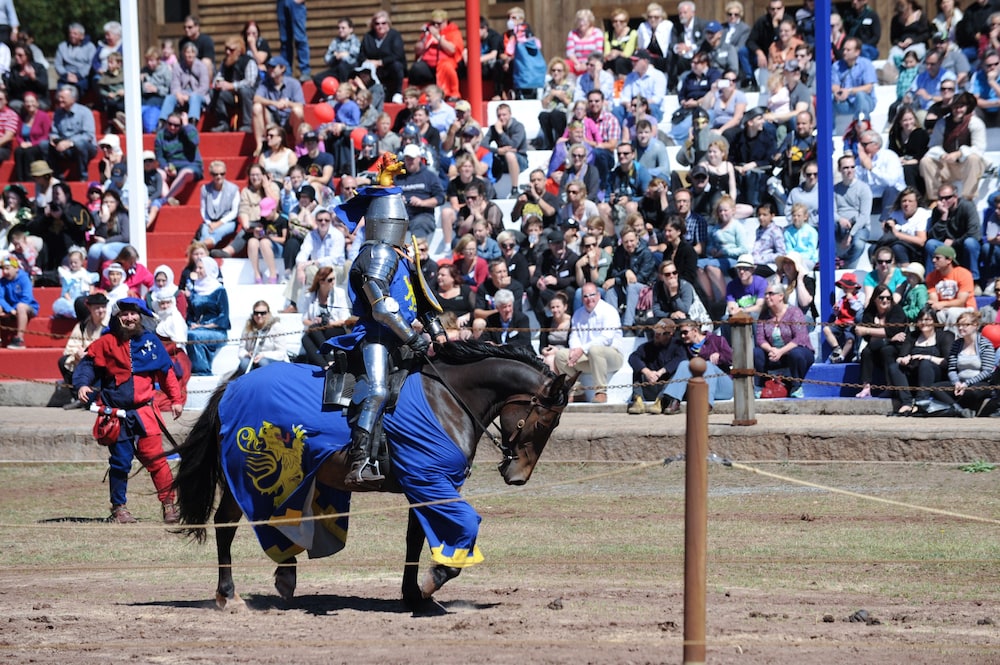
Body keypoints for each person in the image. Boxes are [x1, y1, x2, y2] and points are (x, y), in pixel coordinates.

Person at [330, 186, 447, 490]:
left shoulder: (402, 256)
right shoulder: (377, 254)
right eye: (396, 221)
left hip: (401, 338)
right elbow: (381, 308)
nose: (400, 226)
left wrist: (437, 332)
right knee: (378, 391)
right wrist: (413, 339)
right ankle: (360, 460)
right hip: (377, 337)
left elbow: (420, 299)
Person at [72, 298, 184, 524]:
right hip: (115, 416)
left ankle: (169, 505)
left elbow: (166, 373)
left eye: (133, 313)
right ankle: (119, 509)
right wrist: (83, 384)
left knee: (157, 460)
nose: (130, 318)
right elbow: (88, 365)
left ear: (140, 317)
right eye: (124, 314)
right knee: (120, 462)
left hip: (145, 413)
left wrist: (176, 399)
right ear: (117, 317)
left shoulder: (151, 342)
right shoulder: (106, 342)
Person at [554, 282, 624, 403]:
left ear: (598, 295)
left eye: (592, 295)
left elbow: (606, 338)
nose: (589, 299)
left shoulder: (609, 311)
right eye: (585, 296)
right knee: (560, 355)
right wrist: (574, 351)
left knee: (594, 350)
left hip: (612, 358)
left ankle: (601, 392)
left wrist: (582, 349)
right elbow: (574, 336)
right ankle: (578, 392)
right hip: (588, 357)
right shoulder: (578, 314)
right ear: (582, 298)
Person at [924, 310, 996, 416]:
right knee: (935, 388)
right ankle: (957, 409)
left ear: (975, 325)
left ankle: (961, 408)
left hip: (978, 383)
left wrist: (967, 384)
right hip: (959, 383)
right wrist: (956, 382)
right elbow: (952, 369)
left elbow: (987, 371)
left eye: (965, 325)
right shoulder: (956, 344)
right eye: (959, 325)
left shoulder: (985, 344)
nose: (961, 328)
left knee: (971, 392)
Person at [919, 92, 987, 201]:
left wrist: (959, 153)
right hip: (948, 166)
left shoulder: (975, 123)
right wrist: (942, 155)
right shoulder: (942, 124)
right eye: (955, 107)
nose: (958, 109)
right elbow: (934, 145)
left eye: (961, 106)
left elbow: (979, 149)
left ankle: (968, 198)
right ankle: (936, 198)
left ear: (967, 107)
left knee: (974, 158)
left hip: (967, 166)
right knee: (926, 161)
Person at [659, 318, 734, 412]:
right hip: (699, 388)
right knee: (684, 364)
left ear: (695, 331)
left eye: (685, 332)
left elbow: (732, 359)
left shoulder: (717, 340)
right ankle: (674, 401)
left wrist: (720, 356)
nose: (682, 336)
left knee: (706, 364)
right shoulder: (684, 347)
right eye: (681, 333)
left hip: (723, 386)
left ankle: (706, 404)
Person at [754, 281, 814, 398]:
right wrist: (771, 350)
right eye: (766, 294)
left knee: (796, 353)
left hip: (797, 352)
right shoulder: (764, 315)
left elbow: (799, 338)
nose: (767, 297)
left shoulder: (794, 312)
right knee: (756, 352)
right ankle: (760, 386)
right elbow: (760, 339)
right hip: (774, 354)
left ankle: (797, 386)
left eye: (771, 293)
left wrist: (781, 351)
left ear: (781, 296)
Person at [854, 284, 909, 399]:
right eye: (881, 297)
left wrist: (867, 330)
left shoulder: (897, 310)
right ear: (875, 299)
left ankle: (890, 387)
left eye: (888, 298)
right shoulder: (870, 312)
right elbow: (867, 337)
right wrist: (889, 337)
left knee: (887, 350)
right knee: (866, 352)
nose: (885, 300)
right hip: (876, 346)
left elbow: (892, 331)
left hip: (897, 348)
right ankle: (866, 387)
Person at [58, 292, 108, 409]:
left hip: (101, 362)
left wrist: (90, 354)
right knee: (64, 361)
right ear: (90, 309)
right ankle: (77, 397)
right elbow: (70, 347)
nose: (101, 311)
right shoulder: (83, 325)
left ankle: (90, 398)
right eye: (97, 308)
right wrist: (77, 353)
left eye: (103, 307)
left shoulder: (110, 326)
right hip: (82, 360)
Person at [626, 317, 685, 414]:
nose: (656, 335)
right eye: (656, 332)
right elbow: (633, 358)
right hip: (650, 384)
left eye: (660, 333)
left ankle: (660, 401)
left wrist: (661, 372)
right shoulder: (647, 347)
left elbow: (679, 360)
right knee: (638, 368)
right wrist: (647, 372)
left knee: (677, 371)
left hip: (666, 388)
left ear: (670, 334)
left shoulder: (678, 346)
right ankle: (638, 400)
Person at [925, 183, 981, 280]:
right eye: (941, 198)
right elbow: (933, 236)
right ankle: (931, 280)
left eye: (947, 198)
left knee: (970, 242)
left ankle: (974, 280)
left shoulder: (967, 207)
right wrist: (943, 216)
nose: (943, 201)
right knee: (931, 244)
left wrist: (954, 242)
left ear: (955, 197)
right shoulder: (938, 211)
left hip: (963, 245)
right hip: (946, 246)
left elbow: (974, 233)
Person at [252, 55, 305, 157]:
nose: (270, 69)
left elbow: (300, 104)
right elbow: (256, 98)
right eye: (269, 67)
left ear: (282, 68)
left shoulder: (293, 83)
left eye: (273, 67)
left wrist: (287, 104)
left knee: (298, 111)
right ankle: (260, 145)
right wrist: (274, 103)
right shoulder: (264, 84)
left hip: (288, 119)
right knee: (256, 107)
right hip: (271, 119)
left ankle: (298, 144)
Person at [186, 256, 230, 375]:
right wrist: (191, 324)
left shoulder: (219, 290)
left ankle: (202, 370)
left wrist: (203, 326)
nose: (197, 270)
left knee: (192, 335)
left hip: (216, 331)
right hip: (197, 328)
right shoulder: (196, 289)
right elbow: (190, 314)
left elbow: (224, 317)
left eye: (201, 268)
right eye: (197, 268)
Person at [299, 266, 351, 366]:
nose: (333, 282)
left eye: (334, 279)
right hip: (317, 329)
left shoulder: (339, 293)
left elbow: (345, 318)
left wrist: (329, 323)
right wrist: (315, 321)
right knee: (305, 338)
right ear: (321, 281)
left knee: (312, 332)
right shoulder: (310, 296)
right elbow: (304, 319)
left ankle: (328, 359)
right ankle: (325, 365)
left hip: (335, 327)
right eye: (330, 280)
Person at [409, 10, 463, 100]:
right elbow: (417, 51)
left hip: (446, 61)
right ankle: (415, 95)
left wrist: (438, 36)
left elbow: (452, 50)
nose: (436, 26)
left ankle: (451, 94)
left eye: (439, 23)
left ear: (445, 22)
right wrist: (425, 37)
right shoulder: (428, 33)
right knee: (416, 68)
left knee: (446, 67)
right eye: (433, 23)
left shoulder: (453, 32)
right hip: (428, 63)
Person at [209, 36, 258, 133]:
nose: (227, 52)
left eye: (231, 50)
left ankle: (247, 124)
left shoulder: (248, 61)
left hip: (250, 95)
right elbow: (218, 77)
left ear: (239, 51)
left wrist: (232, 86)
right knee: (214, 92)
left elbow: (250, 82)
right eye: (226, 49)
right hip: (232, 95)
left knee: (245, 90)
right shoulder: (225, 62)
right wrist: (218, 83)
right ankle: (223, 123)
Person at [48, 85, 97, 182]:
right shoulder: (58, 113)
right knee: (44, 145)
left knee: (80, 144)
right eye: (59, 97)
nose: (60, 100)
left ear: (73, 99)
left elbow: (88, 135)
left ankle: (83, 176)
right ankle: (57, 176)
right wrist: (54, 139)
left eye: (63, 98)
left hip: (84, 147)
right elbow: (54, 132)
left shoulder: (84, 112)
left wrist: (69, 142)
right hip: (63, 146)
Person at [927, 244, 977, 330]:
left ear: (949, 260)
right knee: (933, 313)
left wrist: (942, 304)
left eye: (937, 258)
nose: (933, 260)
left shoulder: (963, 274)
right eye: (933, 257)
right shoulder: (931, 277)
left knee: (952, 312)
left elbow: (961, 302)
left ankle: (951, 338)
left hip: (966, 309)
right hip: (943, 310)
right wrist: (938, 305)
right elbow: (934, 301)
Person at [359, 11, 406, 101]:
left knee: (397, 65)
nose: (380, 26)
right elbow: (361, 55)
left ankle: (398, 93)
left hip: (390, 68)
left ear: (388, 24)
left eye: (383, 23)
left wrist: (381, 62)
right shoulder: (368, 37)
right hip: (373, 69)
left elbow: (398, 55)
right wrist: (368, 61)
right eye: (377, 24)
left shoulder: (395, 35)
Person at [161, 42, 210, 126]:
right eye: (187, 52)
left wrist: (189, 96)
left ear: (195, 54)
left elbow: (204, 87)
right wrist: (178, 94)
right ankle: (162, 122)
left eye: (192, 52)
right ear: (183, 53)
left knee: (194, 97)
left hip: (198, 95)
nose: (190, 55)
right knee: (169, 98)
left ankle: (192, 123)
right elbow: (175, 84)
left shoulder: (201, 66)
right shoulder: (178, 66)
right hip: (181, 94)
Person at [196, 160, 240, 251]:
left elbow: (234, 212)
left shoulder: (233, 189)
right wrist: (209, 223)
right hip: (210, 221)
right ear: (211, 175)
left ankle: (198, 248)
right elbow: (203, 210)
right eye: (215, 174)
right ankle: (203, 251)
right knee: (205, 232)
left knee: (218, 231)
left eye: (222, 174)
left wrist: (218, 223)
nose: (219, 177)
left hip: (228, 222)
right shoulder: (205, 189)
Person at [236, 300, 287, 374]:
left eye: (263, 313)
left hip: (271, 360)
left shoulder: (276, 327)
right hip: (252, 359)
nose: (259, 315)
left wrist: (263, 355)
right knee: (244, 364)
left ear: (268, 313)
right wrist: (247, 354)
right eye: (256, 313)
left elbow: (281, 353)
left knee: (263, 363)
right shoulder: (248, 327)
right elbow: (241, 350)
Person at [0, 255, 37, 349]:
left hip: (27, 307)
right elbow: (0, 298)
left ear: (16, 268)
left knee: (20, 306)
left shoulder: (24, 278)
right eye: (3, 269)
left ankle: (19, 339)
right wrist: (9, 310)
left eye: (7, 268)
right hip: (11, 308)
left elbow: (27, 298)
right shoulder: (2, 281)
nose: (5, 272)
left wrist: (14, 310)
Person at [54, 23, 96, 94]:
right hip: (66, 75)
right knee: (61, 91)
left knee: (76, 91)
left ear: (82, 36)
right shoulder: (62, 46)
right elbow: (58, 64)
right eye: (70, 33)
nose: (72, 35)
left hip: (82, 77)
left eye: (75, 34)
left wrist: (78, 76)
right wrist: (66, 75)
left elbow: (90, 64)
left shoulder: (90, 47)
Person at [276, 0, 310, 81]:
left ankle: (305, 71)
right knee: (284, 41)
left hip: (295, 3)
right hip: (281, 2)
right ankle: (286, 72)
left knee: (300, 38)